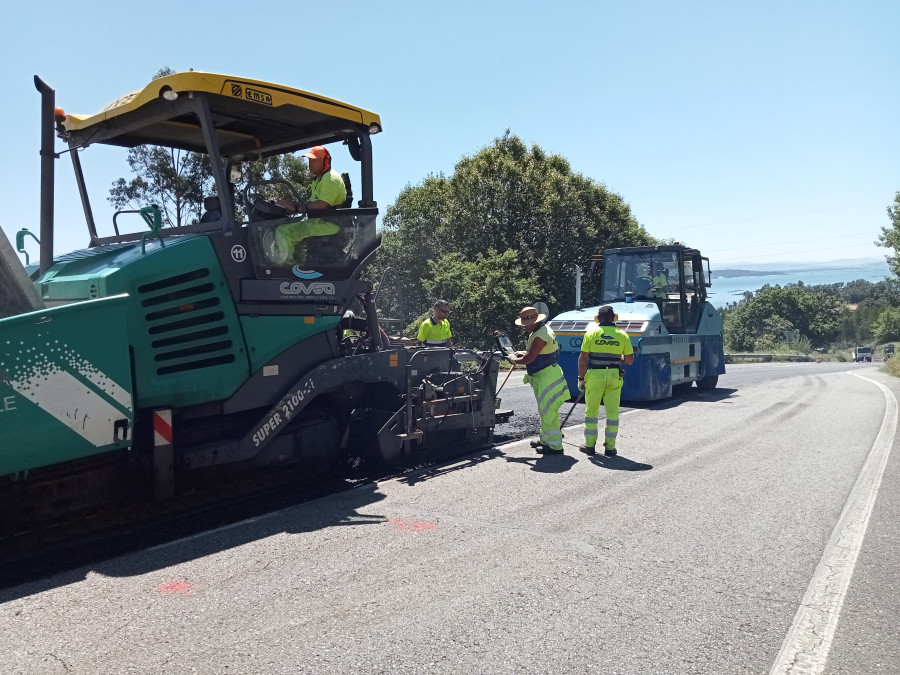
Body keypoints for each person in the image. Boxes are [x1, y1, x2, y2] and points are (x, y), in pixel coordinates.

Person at [270, 145, 347, 264]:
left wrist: (297, 207)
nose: (310, 163)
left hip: (330, 224)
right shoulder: (318, 180)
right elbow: (313, 204)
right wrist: (294, 208)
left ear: (326, 161)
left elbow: (322, 205)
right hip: (321, 222)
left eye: (314, 160)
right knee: (294, 233)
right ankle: (299, 267)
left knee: (283, 231)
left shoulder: (331, 178)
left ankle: (286, 270)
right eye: (309, 160)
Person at [577, 305, 634, 457]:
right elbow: (629, 360)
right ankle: (610, 448)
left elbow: (583, 359)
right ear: (613, 318)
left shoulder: (591, 333)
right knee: (613, 413)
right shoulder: (622, 335)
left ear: (598, 318)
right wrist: (615, 357)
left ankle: (589, 446)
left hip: (595, 375)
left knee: (591, 412)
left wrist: (581, 378)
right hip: (614, 376)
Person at [510, 306, 568, 455]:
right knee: (545, 409)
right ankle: (545, 439)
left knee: (549, 411)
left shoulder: (539, 335)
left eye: (525, 324)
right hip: (547, 374)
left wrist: (514, 360)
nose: (524, 327)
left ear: (533, 321)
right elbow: (539, 351)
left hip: (546, 376)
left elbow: (530, 358)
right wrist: (522, 352)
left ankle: (555, 446)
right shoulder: (541, 331)